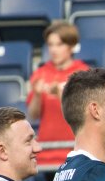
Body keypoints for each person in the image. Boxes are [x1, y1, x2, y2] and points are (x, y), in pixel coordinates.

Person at [28, 21, 89, 171]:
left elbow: (83, 113)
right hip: (46, 154)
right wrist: (37, 94)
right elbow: (33, 115)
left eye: (59, 44)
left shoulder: (82, 73)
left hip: (75, 151)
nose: (54, 50)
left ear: (71, 46)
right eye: (50, 45)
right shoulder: (41, 72)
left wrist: (62, 94)